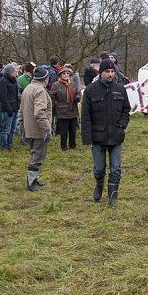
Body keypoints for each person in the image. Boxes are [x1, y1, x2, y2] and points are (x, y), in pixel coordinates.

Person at [81, 59, 130, 204]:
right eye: (107, 71)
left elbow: (126, 109)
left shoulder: (120, 89)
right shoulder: (90, 90)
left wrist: (122, 124)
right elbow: (85, 116)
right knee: (99, 169)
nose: (110, 74)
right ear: (100, 73)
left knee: (116, 168)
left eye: (112, 71)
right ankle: (99, 185)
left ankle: (113, 195)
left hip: (116, 135)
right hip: (97, 136)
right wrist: (87, 138)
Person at [18, 66, 53, 191]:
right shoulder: (40, 90)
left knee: (34, 155)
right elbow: (39, 112)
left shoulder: (28, 88)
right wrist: (46, 129)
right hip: (38, 129)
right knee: (37, 157)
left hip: (29, 128)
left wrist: (23, 127)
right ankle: (31, 183)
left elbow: (21, 111)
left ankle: (34, 179)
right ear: (45, 78)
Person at [49, 66, 79, 151]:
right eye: (64, 73)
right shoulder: (56, 85)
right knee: (64, 131)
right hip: (62, 111)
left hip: (73, 109)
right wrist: (56, 104)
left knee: (73, 131)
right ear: (60, 75)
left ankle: (72, 146)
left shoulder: (72, 83)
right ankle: (64, 147)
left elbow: (77, 92)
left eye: (67, 73)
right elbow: (51, 96)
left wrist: (77, 97)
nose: (66, 75)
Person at [0, 63, 20, 150]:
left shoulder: (14, 80)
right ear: (10, 72)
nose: (16, 73)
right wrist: (9, 109)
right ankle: (4, 146)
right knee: (6, 129)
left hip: (15, 108)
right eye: (14, 71)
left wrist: (17, 106)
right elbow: (3, 97)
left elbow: (16, 95)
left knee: (12, 129)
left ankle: (10, 144)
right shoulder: (3, 81)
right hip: (7, 109)